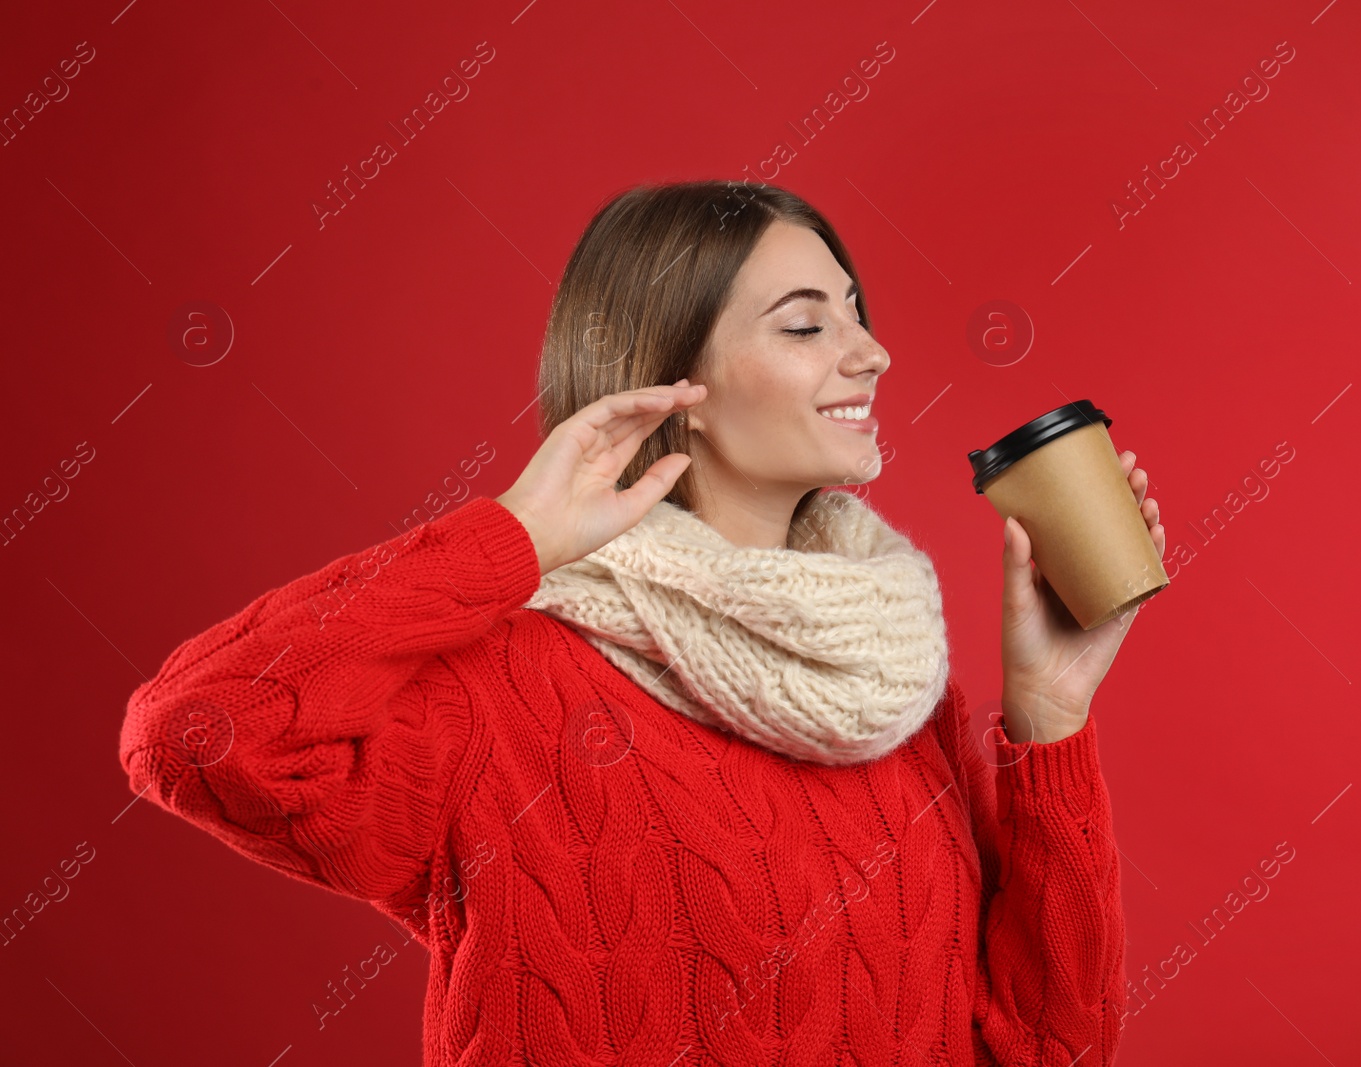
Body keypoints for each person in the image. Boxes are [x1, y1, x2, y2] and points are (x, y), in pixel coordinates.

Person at [119, 179, 1164, 1065]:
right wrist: (512, 537)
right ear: (678, 383)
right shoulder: (504, 685)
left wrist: (1050, 711)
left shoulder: (891, 687)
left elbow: (1039, 1050)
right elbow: (198, 729)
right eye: (808, 325)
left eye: (854, 311)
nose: (873, 353)